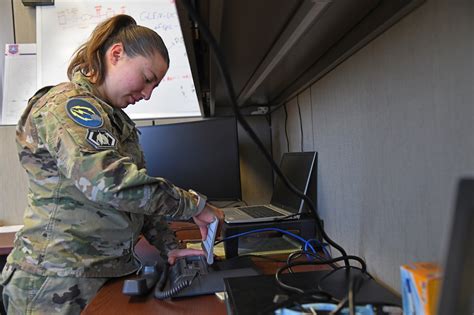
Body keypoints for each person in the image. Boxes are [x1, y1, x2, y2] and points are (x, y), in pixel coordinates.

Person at [1, 14, 223, 314]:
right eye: (146, 79)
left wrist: (171, 248)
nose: (146, 94)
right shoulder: (68, 106)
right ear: (116, 54)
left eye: (154, 87)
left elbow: (134, 202)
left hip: (100, 274)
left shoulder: (113, 120)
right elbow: (110, 184)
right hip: (55, 282)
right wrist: (194, 204)